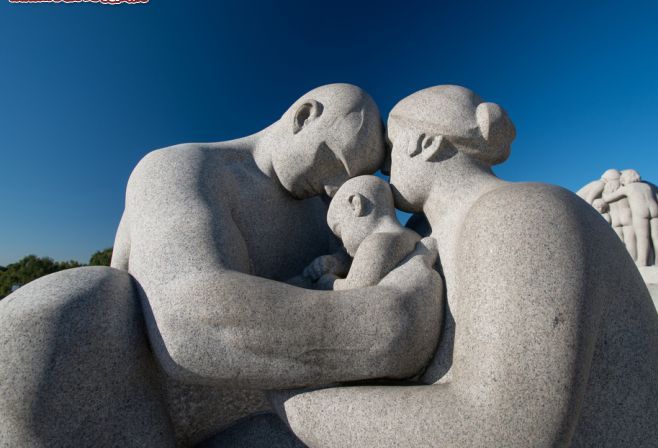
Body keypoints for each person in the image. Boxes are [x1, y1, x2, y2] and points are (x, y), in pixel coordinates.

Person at [0, 84, 444, 447]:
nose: (335, 186)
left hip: (261, 410)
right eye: (337, 161)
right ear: (305, 116)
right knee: (60, 311)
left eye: (347, 179)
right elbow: (193, 321)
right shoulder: (181, 168)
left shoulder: (321, 208)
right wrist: (394, 322)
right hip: (144, 410)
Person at [273, 85, 658, 447]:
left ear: (426, 143)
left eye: (392, 147)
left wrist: (286, 401)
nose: (382, 167)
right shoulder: (434, 230)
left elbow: (503, 429)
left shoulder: (521, 214)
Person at [306, 175, 436, 292]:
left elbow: (352, 291)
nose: (343, 244)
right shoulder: (413, 236)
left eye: (339, 230)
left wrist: (327, 282)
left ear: (356, 205)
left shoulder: (376, 242)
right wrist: (337, 262)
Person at [603, 169, 658, 266]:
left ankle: (642, 261)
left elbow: (608, 198)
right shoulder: (647, 186)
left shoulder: (628, 188)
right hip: (655, 210)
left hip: (640, 210)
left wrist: (604, 193)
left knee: (642, 237)